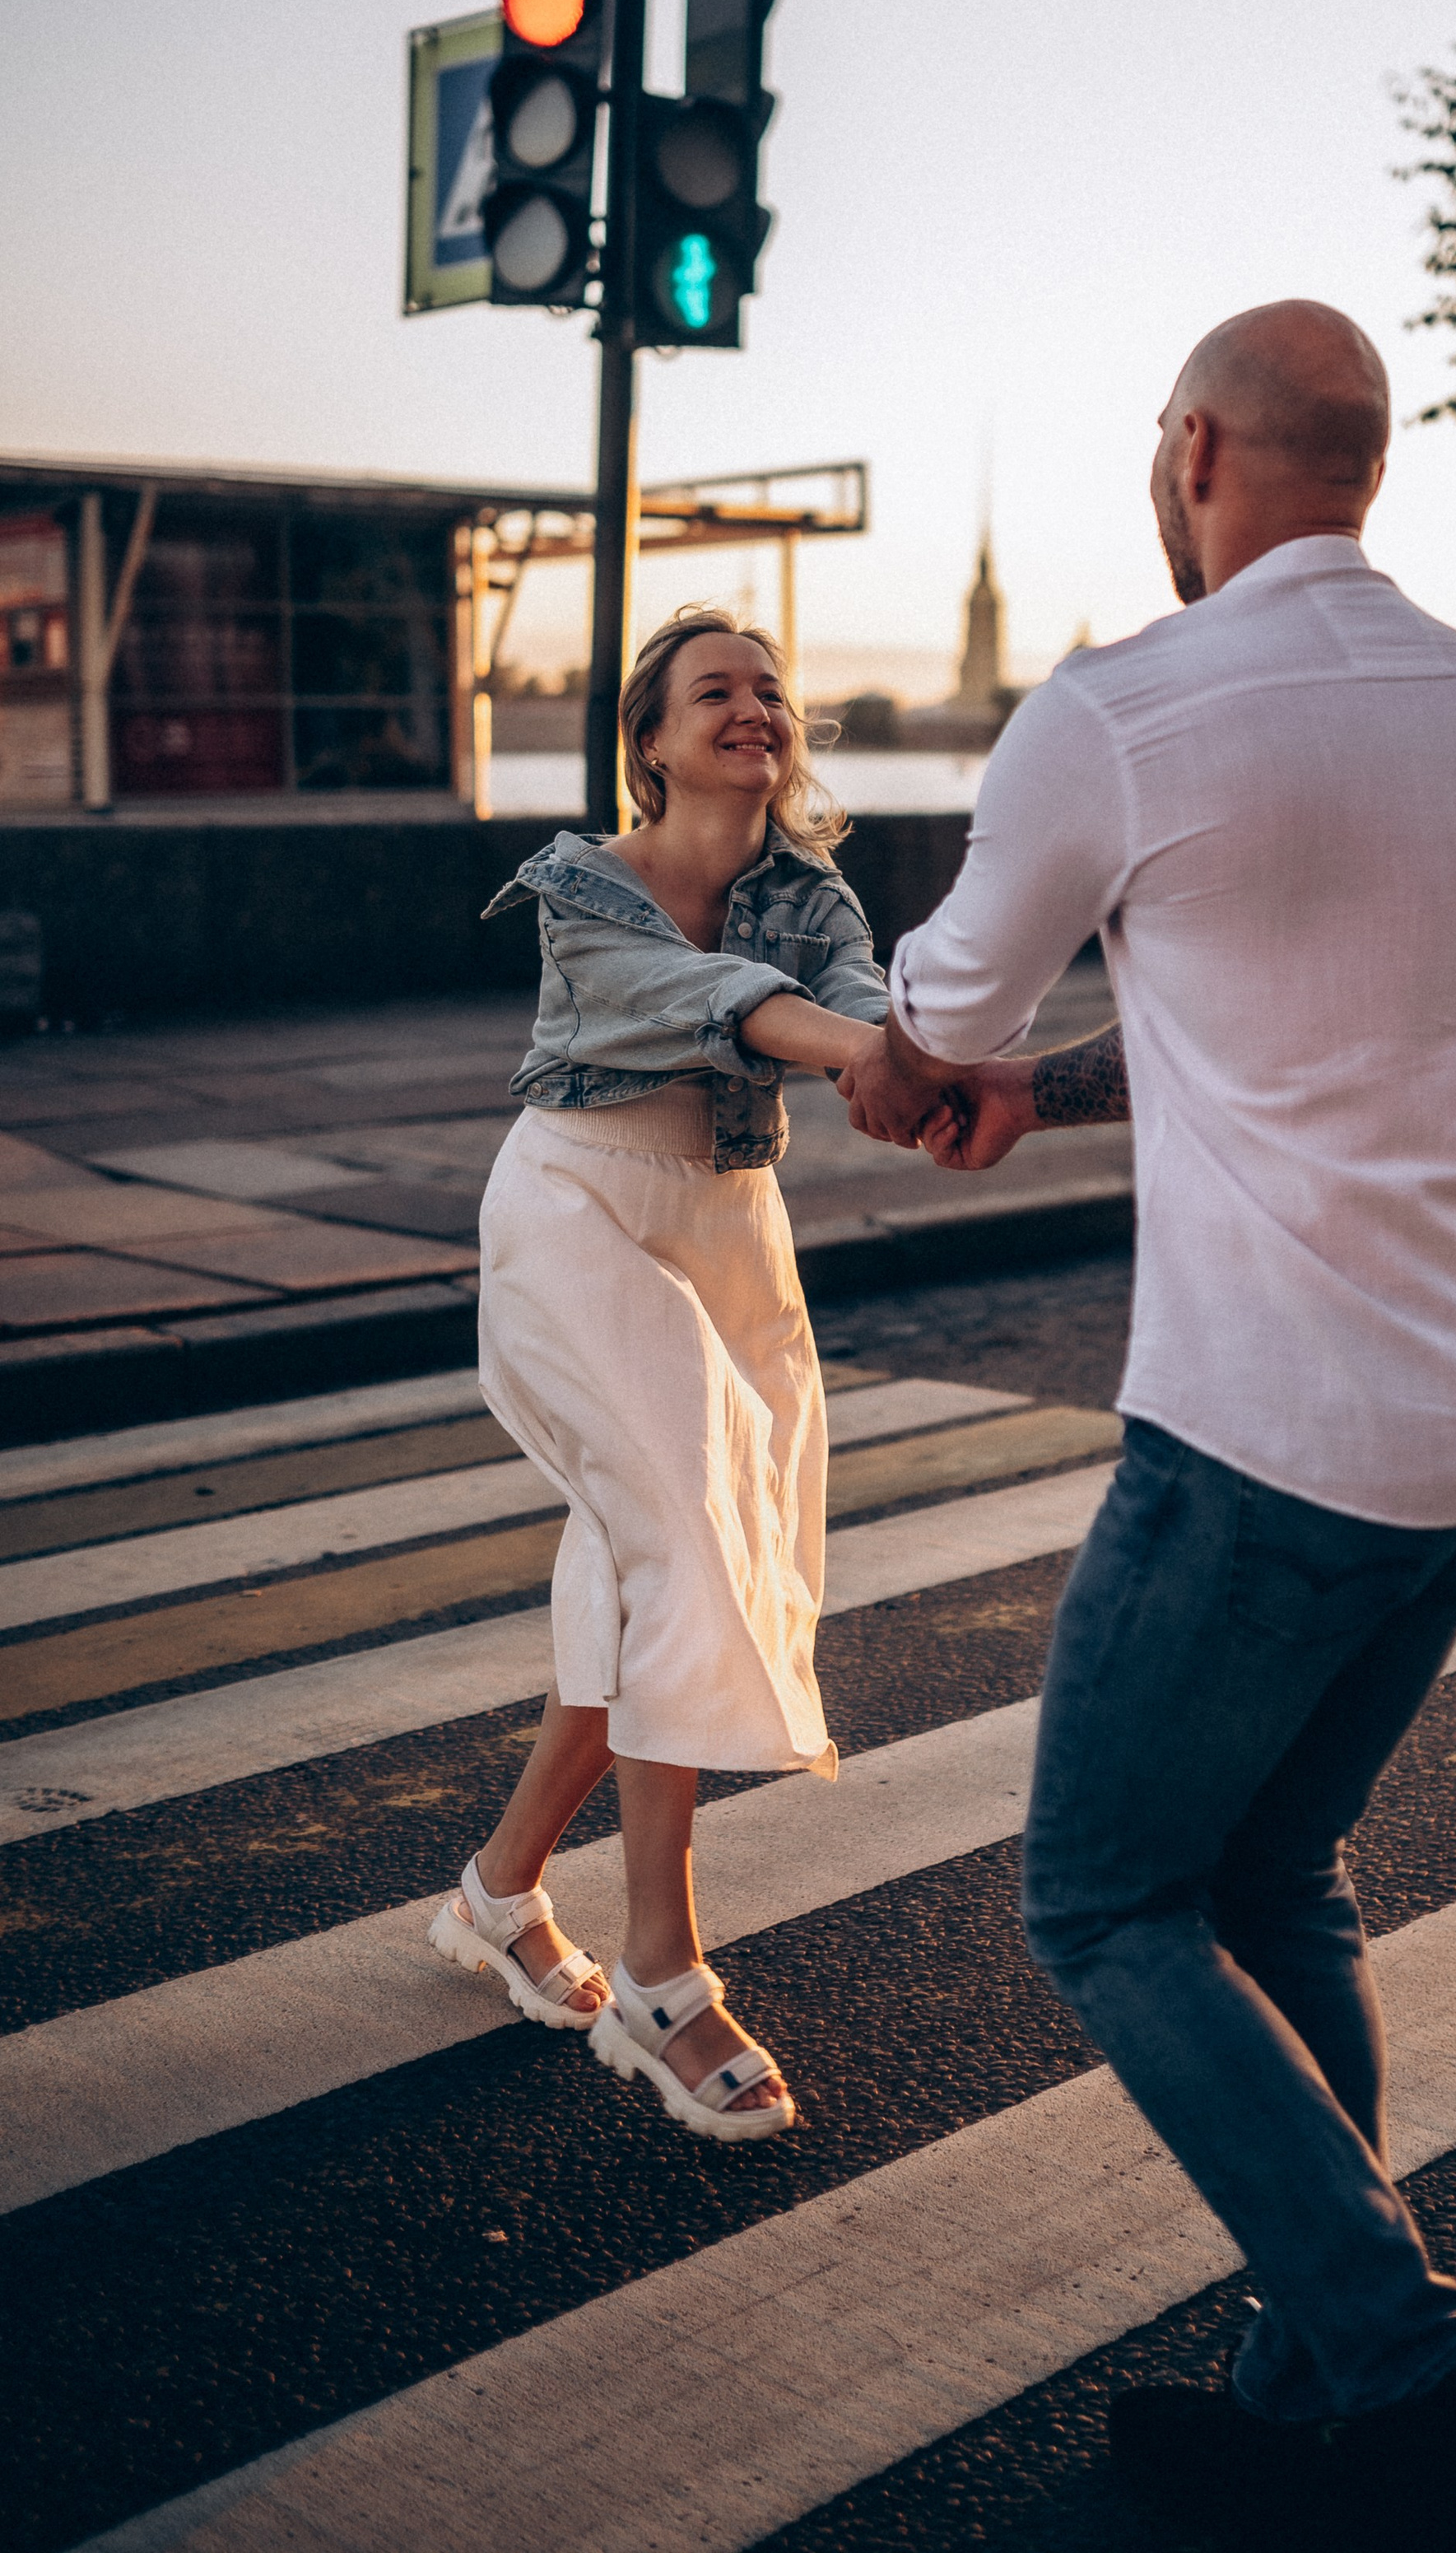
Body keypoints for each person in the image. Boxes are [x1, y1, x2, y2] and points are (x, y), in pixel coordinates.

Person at [837, 304, 1456, 2548]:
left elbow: (929, 1021)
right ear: (1368, 465)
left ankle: (1403, 2358)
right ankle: (1298, 2401)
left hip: (1274, 1441)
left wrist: (924, 1066)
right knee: (1276, 1875)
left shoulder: (1123, 713)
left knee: (1108, 1893)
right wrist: (1046, 1082)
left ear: (1190, 455)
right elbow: (1270, 1036)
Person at [430, 608, 891, 2142]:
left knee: (649, 1567)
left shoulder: (805, 891)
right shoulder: (583, 887)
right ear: (653, 739)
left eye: (771, 688)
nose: (753, 707)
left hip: (729, 1232)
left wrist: (933, 1068)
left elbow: (872, 1008)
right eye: (717, 691)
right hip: (576, 1210)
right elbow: (727, 1012)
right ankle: (661, 1978)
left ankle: (499, 1896)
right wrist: (864, 1058)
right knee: (690, 1532)